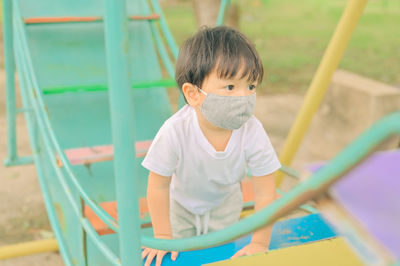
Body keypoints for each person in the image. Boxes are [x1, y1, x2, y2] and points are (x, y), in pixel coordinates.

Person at [141, 26, 281, 266]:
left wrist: (259, 243)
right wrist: (162, 235)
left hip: (225, 205)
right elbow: (158, 186)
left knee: (218, 257)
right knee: (178, 258)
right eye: (230, 87)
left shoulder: (251, 130)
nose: (243, 98)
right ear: (193, 94)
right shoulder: (175, 130)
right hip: (180, 207)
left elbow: (266, 191)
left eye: (251, 86)